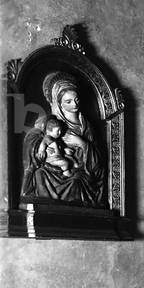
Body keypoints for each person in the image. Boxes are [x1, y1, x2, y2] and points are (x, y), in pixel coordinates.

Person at [21, 72, 104, 205]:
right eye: (68, 101)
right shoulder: (49, 123)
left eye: (76, 100)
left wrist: (82, 143)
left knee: (76, 182)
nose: (74, 105)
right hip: (52, 167)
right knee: (40, 175)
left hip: (78, 173)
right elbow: (33, 141)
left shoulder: (87, 127)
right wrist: (42, 147)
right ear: (59, 103)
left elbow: (98, 165)